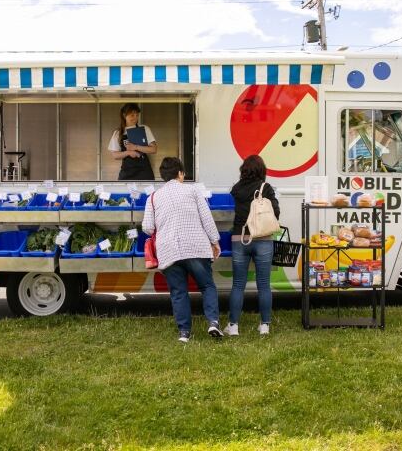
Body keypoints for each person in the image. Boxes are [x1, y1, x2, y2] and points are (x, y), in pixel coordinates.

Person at [142, 157, 223, 342]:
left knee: (178, 292)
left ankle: (184, 333)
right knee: (207, 286)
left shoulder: (153, 197)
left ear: (163, 176)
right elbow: (207, 219)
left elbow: (147, 227)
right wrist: (215, 242)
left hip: (169, 250)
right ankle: (213, 322)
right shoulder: (192, 190)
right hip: (195, 247)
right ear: (180, 173)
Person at [225, 154, 280, 336]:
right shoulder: (266, 188)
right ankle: (264, 325)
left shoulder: (236, 189)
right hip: (263, 239)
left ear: (244, 170)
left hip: (239, 239)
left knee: (238, 284)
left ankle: (233, 326)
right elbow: (276, 213)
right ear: (261, 170)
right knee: (264, 284)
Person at [108, 103, 157, 180]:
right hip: (127, 172)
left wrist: (136, 147)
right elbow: (115, 155)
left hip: (144, 171)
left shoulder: (144, 128)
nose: (135, 118)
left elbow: (153, 149)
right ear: (124, 115)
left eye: (137, 115)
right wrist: (128, 152)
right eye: (132, 115)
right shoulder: (118, 133)